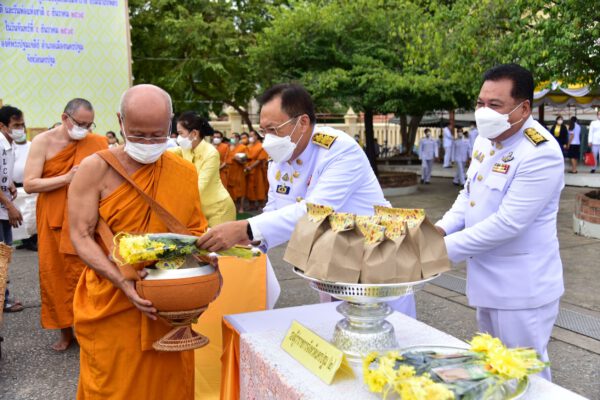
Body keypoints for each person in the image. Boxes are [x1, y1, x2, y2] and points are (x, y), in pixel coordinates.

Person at [196, 83, 416, 317]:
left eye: (273, 129)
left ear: (302, 122)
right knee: (336, 325)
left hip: (374, 259)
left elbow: (315, 212)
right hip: (332, 262)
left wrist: (246, 228)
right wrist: (246, 242)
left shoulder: (339, 149)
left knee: (383, 331)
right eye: (263, 131)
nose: (267, 139)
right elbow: (275, 210)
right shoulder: (281, 158)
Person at [69, 84, 207, 399]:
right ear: (120, 122)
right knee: (114, 386)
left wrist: (206, 268)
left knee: (170, 386)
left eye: (157, 135)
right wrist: (122, 281)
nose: (147, 143)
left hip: (169, 303)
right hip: (112, 297)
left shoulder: (183, 171)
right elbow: (80, 235)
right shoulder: (95, 169)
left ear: (170, 123)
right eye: (138, 135)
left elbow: (194, 234)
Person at [435, 64, 564, 381]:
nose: (484, 112)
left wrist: (437, 250)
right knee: (494, 372)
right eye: (480, 103)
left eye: (495, 104)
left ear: (523, 108)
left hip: (522, 290)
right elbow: (468, 195)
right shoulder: (485, 139)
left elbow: (508, 223)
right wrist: (438, 230)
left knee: (525, 378)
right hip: (487, 283)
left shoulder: (540, 152)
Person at [24, 98, 108, 351]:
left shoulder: (97, 142)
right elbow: (30, 184)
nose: (85, 129)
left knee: (89, 274)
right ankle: (65, 331)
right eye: (80, 124)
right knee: (56, 275)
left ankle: (90, 328)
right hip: (53, 219)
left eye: (89, 125)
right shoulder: (43, 142)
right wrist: (67, 178)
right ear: (64, 118)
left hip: (87, 216)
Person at [169, 111, 236, 226]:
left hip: (218, 210)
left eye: (181, 133)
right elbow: (165, 153)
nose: (179, 138)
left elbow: (200, 187)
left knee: (216, 238)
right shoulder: (186, 149)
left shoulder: (211, 153)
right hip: (200, 209)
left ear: (194, 133)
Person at [0, 105, 24, 313]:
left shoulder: (10, 145)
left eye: (22, 124)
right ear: (2, 126)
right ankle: (3, 300)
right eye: (16, 125)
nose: (20, 129)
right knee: (1, 256)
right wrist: (10, 206)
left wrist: (10, 184)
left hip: (2, 208)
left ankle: (4, 297)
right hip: (2, 208)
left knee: (4, 254)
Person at [244, 130, 269, 210]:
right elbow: (246, 157)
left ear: (257, 136)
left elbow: (260, 159)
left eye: (252, 136)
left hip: (258, 169)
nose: (250, 138)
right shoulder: (248, 146)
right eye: (249, 136)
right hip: (248, 169)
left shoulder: (261, 146)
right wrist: (247, 166)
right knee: (250, 187)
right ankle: (252, 204)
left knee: (259, 186)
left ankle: (261, 204)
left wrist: (251, 167)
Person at [226, 132, 248, 213]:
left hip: (239, 171)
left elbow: (244, 160)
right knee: (230, 189)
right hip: (229, 171)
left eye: (233, 137)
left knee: (241, 188)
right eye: (231, 137)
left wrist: (237, 159)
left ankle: (241, 207)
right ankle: (233, 206)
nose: (232, 139)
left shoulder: (243, 147)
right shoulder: (228, 147)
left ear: (238, 138)